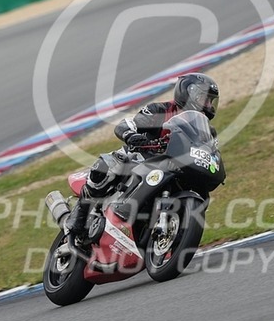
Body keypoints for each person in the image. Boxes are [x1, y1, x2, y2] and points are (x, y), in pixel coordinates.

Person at [64, 72, 220, 237]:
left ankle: (175, 229)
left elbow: (211, 153)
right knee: (109, 164)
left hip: (177, 166)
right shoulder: (160, 110)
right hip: (143, 157)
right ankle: (80, 213)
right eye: (206, 99)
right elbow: (126, 124)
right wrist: (132, 136)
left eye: (211, 101)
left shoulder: (207, 131)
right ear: (190, 93)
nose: (209, 105)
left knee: (202, 193)